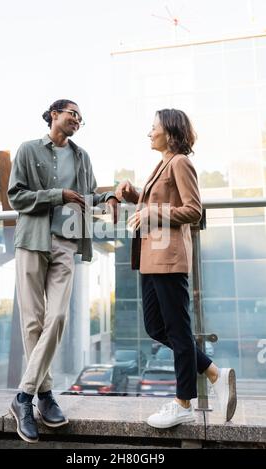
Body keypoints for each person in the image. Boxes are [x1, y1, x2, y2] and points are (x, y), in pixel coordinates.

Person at [115, 108, 237, 429]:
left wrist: (150, 210)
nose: (149, 132)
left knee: (178, 331)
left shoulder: (181, 162)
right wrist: (132, 195)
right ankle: (213, 373)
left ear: (169, 132)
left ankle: (184, 402)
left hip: (169, 259)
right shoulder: (163, 164)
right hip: (151, 259)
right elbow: (155, 204)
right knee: (156, 327)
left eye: (153, 127)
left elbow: (193, 210)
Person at [8, 99, 118, 443]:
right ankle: (44, 395)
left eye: (81, 119)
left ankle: (23, 397)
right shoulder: (27, 150)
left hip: (67, 243)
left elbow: (87, 197)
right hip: (32, 241)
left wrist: (111, 196)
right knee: (32, 322)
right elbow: (17, 197)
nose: (77, 121)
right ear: (54, 115)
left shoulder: (82, 156)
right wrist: (58, 195)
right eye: (73, 114)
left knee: (57, 318)